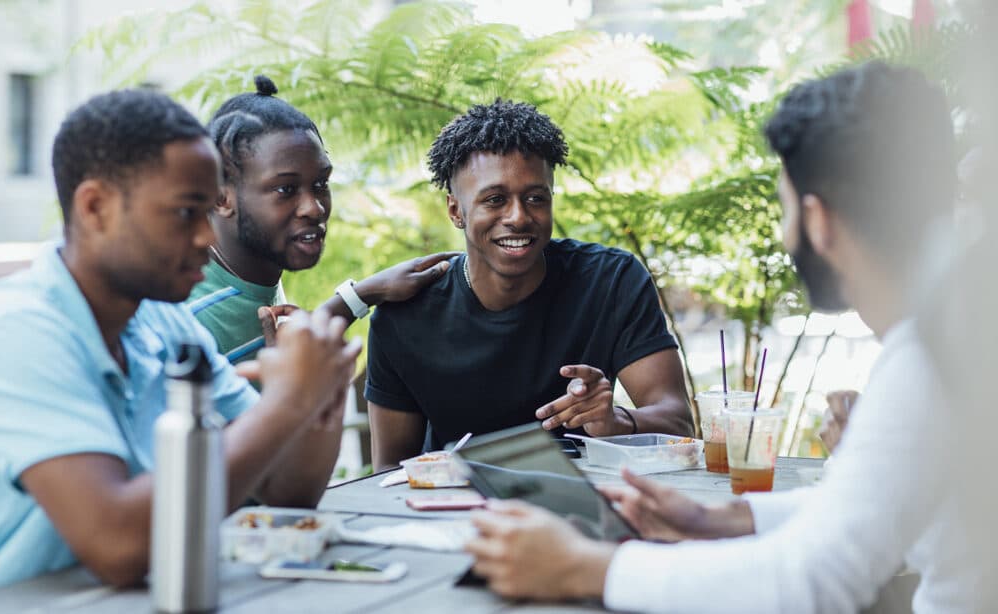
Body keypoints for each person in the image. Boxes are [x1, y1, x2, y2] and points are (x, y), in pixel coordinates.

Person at [465, 62, 984, 612]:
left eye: (784, 209)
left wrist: (583, 566)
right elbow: (868, 509)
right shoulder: (959, 339)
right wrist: (719, 517)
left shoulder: (929, 363)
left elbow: (814, 579)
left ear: (818, 220)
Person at [0, 89, 359, 594]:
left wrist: (317, 394)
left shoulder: (163, 323)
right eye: (184, 214)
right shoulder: (15, 331)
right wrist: (287, 405)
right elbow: (118, 544)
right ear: (96, 207)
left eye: (208, 211)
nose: (206, 237)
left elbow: (288, 490)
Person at [365, 99, 694, 469]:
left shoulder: (611, 281)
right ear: (456, 210)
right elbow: (389, 473)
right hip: (456, 510)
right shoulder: (405, 316)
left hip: (585, 508)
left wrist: (617, 422)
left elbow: (678, 424)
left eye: (536, 198)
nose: (519, 217)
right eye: (495, 200)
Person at [190, 75, 457, 364]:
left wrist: (363, 294)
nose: (314, 208)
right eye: (286, 189)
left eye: (320, 184)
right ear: (221, 197)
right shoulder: (189, 325)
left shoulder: (254, 271)